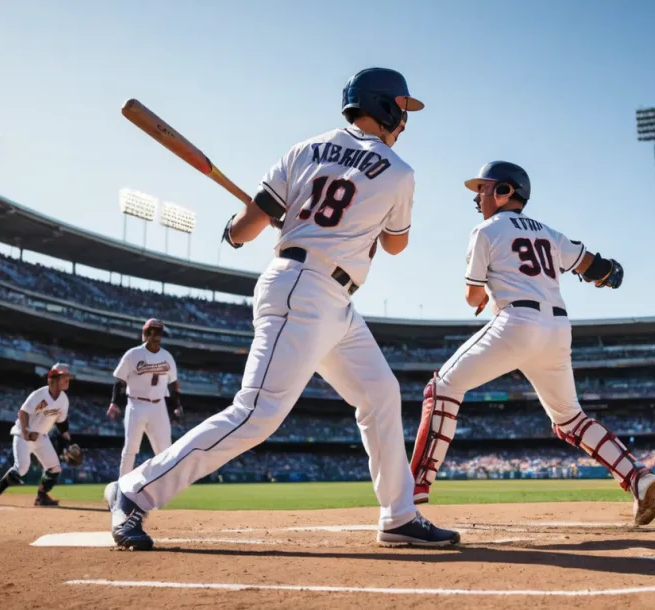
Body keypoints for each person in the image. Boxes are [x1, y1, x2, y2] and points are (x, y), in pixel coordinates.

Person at [105, 67, 459, 550]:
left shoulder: (303, 150)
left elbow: (247, 227)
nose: (403, 121)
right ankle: (133, 492)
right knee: (257, 413)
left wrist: (232, 230)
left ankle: (398, 515)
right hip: (306, 292)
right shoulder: (399, 172)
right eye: (401, 109)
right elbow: (394, 246)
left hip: (325, 296)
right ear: (382, 106)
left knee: (380, 393)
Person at [407, 161, 655, 527]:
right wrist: (608, 273)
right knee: (570, 420)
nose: (478, 196)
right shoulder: (547, 232)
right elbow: (594, 266)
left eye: (484, 188)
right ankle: (638, 476)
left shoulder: (485, 230)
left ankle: (411, 489)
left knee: (442, 388)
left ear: (505, 191)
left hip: (517, 322)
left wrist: (483, 295)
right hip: (557, 328)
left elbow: (471, 297)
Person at [0, 364, 76, 507]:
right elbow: (23, 412)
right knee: (21, 468)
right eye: (64, 378)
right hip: (23, 434)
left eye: (67, 378)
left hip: (41, 436)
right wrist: (26, 431)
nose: (67, 380)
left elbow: (62, 422)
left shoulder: (64, 400)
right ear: (53, 380)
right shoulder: (40, 395)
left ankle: (41, 497)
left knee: (54, 468)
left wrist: (68, 442)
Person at [108, 318, 182, 477]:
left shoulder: (167, 356)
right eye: (152, 332)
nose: (155, 335)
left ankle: (162, 488)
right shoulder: (133, 354)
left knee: (164, 450)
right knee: (130, 449)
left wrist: (177, 404)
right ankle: (122, 489)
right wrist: (114, 402)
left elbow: (173, 383)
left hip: (159, 405)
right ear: (146, 334)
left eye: (158, 332)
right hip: (136, 404)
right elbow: (119, 380)